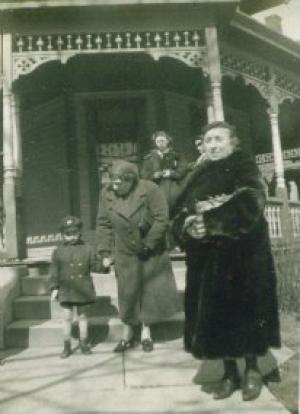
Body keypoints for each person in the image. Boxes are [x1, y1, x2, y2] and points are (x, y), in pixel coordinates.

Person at [172, 121, 280, 401]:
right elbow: (179, 210)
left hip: (243, 256)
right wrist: (187, 226)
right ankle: (230, 372)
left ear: (233, 143)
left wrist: (210, 220)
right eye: (208, 140)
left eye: (219, 139)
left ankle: (253, 370)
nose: (212, 145)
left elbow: (252, 202)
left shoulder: (244, 165)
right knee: (216, 316)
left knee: (246, 313)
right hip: (207, 260)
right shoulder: (198, 173)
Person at [96, 160, 179, 353]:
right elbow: (103, 224)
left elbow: (161, 218)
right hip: (124, 250)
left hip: (149, 249)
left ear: (130, 180)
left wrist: (149, 243)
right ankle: (128, 332)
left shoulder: (150, 189)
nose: (114, 186)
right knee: (127, 291)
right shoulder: (106, 193)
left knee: (148, 290)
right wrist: (105, 251)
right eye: (112, 181)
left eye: (119, 182)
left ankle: (145, 332)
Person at [49, 216, 100, 358]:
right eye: (68, 234)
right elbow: (54, 271)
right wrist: (54, 288)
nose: (72, 237)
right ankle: (66, 346)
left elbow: (95, 265)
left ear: (80, 232)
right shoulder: (58, 251)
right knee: (67, 317)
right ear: (62, 235)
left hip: (82, 288)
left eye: (75, 233)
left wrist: (104, 264)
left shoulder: (88, 248)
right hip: (66, 289)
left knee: (82, 316)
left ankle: (84, 343)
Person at [141, 130, 187, 213]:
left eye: (162, 141)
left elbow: (182, 169)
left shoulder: (176, 155)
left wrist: (171, 173)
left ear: (168, 141)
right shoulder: (149, 158)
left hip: (173, 188)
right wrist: (154, 175)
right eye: (158, 141)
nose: (160, 143)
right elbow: (144, 175)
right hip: (156, 188)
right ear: (155, 142)